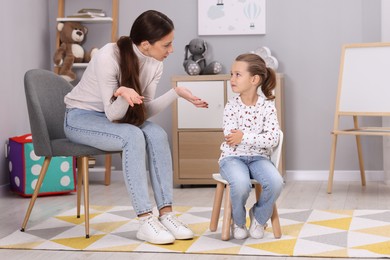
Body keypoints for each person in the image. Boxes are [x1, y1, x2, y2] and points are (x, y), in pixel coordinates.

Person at [63, 10, 208, 245]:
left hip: (113, 118)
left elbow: (143, 111)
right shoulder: (107, 57)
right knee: (132, 136)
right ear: (145, 44)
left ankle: (166, 213)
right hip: (80, 118)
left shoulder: (154, 64)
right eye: (166, 45)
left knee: (157, 133)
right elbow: (113, 114)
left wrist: (176, 93)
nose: (171, 50)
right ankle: (144, 219)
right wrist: (122, 93)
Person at [218, 53, 284, 240]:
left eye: (237, 75)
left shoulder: (267, 106)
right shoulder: (231, 106)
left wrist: (244, 136)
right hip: (232, 158)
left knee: (276, 182)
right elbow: (231, 138)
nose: (232, 79)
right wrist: (253, 138)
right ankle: (238, 222)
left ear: (254, 79)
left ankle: (259, 217)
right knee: (240, 184)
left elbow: (272, 139)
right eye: (231, 74)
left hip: (259, 158)